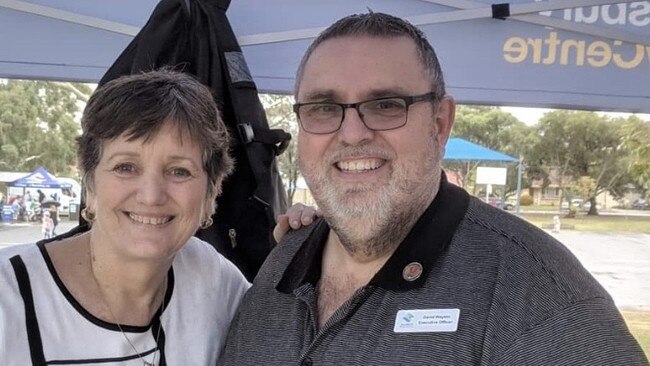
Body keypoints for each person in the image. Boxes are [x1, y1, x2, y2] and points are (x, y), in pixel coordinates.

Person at [219, 12, 648, 365]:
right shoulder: (282, 266)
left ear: (440, 123)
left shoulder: (541, 300)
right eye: (323, 107)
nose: (351, 133)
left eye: (387, 105)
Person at [0, 70, 250, 365]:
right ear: (89, 184)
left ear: (212, 191)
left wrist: (308, 237)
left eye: (179, 171)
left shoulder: (214, 280)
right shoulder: (8, 295)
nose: (151, 195)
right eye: (125, 167)